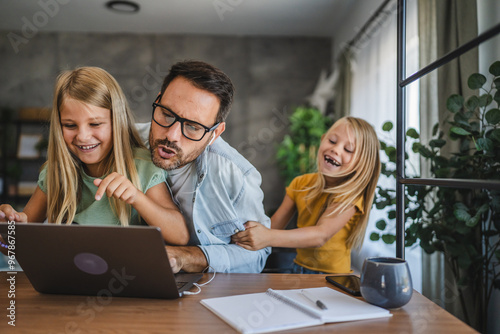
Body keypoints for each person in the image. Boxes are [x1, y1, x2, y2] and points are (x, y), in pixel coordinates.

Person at [0, 67, 189, 246]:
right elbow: (12, 247)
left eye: (96, 124)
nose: (82, 136)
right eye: (70, 125)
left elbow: (180, 235)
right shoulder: (56, 172)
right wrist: (10, 226)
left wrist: (136, 197)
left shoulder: (142, 166)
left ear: (117, 122)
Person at [140, 60, 271, 273]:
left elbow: (258, 255)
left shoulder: (236, 174)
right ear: (157, 100)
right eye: (167, 114)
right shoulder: (124, 142)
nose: (171, 136)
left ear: (215, 133)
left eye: (192, 127)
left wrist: (188, 257)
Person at [231, 116, 381, 274]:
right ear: (322, 140)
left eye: (348, 149)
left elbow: (320, 236)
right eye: (332, 141)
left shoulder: (351, 196)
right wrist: (247, 232)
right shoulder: (299, 184)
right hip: (297, 270)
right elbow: (273, 226)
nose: (336, 149)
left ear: (362, 162)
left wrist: (267, 236)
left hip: (333, 280)